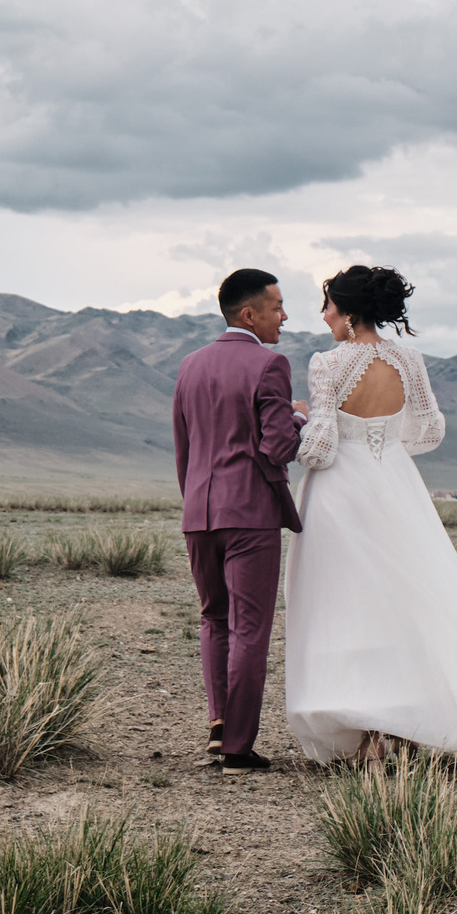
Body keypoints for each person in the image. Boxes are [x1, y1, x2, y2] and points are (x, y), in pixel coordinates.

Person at [283, 265, 457, 768]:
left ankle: (372, 733)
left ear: (349, 311)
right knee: (405, 603)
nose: (324, 316)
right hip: (396, 487)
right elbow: (427, 433)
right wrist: (384, 443)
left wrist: (301, 416)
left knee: (345, 605)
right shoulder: (410, 360)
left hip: (341, 492)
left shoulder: (328, 364)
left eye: (329, 306)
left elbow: (317, 450)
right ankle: (402, 729)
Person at [169, 268, 302, 772]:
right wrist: (300, 419)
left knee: (213, 619)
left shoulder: (189, 365)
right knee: (250, 628)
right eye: (277, 307)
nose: (284, 317)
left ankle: (219, 725)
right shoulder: (270, 365)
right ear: (250, 314)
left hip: (198, 513)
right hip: (249, 514)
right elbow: (277, 447)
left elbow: (184, 448)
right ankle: (237, 749)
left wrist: (197, 502)